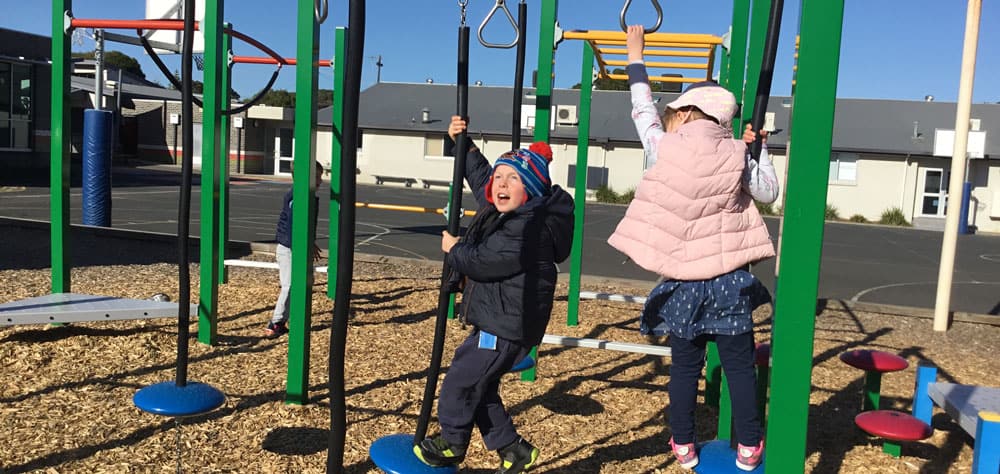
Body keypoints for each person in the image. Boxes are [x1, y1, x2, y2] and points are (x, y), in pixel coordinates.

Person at [606, 25, 777, 471]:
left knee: (684, 368)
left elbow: (640, 105)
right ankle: (749, 446)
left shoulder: (662, 147)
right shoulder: (737, 154)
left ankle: (683, 444)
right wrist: (762, 151)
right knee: (739, 368)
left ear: (684, 115)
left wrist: (635, 53)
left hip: (682, 282)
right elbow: (768, 193)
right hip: (729, 282)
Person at [413, 115, 575, 474]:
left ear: (529, 190)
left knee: (460, 380)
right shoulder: (513, 207)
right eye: (500, 178)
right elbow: (482, 176)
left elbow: (485, 262)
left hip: (505, 328)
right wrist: (462, 142)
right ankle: (514, 450)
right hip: (502, 320)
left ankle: (453, 444)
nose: (500, 184)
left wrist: (454, 249)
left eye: (512, 179)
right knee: (481, 388)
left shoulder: (527, 229)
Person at [266, 161, 323, 338]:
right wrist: (303, 245)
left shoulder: (307, 195)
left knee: (303, 282)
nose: (320, 180)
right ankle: (276, 323)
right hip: (289, 248)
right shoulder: (297, 197)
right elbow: (293, 225)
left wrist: (310, 242)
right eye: (316, 177)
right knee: (289, 285)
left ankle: (288, 319)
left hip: (297, 246)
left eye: (320, 176)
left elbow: (305, 225)